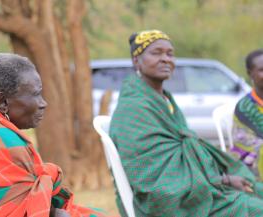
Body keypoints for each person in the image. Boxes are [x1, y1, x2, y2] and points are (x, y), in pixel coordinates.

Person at [109, 29, 263, 217]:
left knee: (257, 190)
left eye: (170, 53)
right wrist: (223, 180)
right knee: (256, 209)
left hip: (200, 186)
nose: (166, 59)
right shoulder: (133, 107)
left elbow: (183, 154)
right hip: (173, 201)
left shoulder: (165, 99)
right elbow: (151, 175)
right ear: (136, 60)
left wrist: (224, 180)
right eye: (156, 53)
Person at [0, 53, 113, 217]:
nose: (43, 103)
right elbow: (33, 207)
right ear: (2, 102)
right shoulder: (1, 140)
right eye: (36, 94)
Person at [231, 49, 263, 179]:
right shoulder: (245, 107)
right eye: (262, 70)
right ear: (250, 74)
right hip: (253, 162)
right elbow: (243, 144)